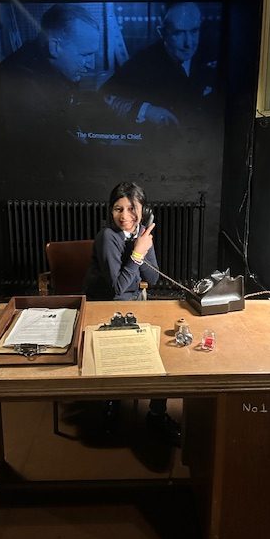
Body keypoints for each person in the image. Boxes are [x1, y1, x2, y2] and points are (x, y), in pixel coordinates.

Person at [83, 181, 181, 446]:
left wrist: (143, 245)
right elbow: (117, 288)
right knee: (122, 352)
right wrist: (137, 253)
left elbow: (153, 277)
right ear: (110, 211)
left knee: (162, 351)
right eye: (118, 209)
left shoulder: (141, 234)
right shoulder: (108, 237)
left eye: (131, 208)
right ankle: (111, 402)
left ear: (143, 211)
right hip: (103, 306)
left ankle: (156, 414)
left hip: (134, 303)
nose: (124, 216)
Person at [101, 2, 217, 128]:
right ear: (162, 33)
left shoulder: (214, 53)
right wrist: (145, 110)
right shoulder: (143, 62)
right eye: (178, 33)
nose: (188, 43)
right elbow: (103, 96)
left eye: (194, 31)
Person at [0, 3, 102, 140]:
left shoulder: (58, 67)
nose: (91, 65)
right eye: (85, 55)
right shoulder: (20, 84)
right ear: (54, 47)